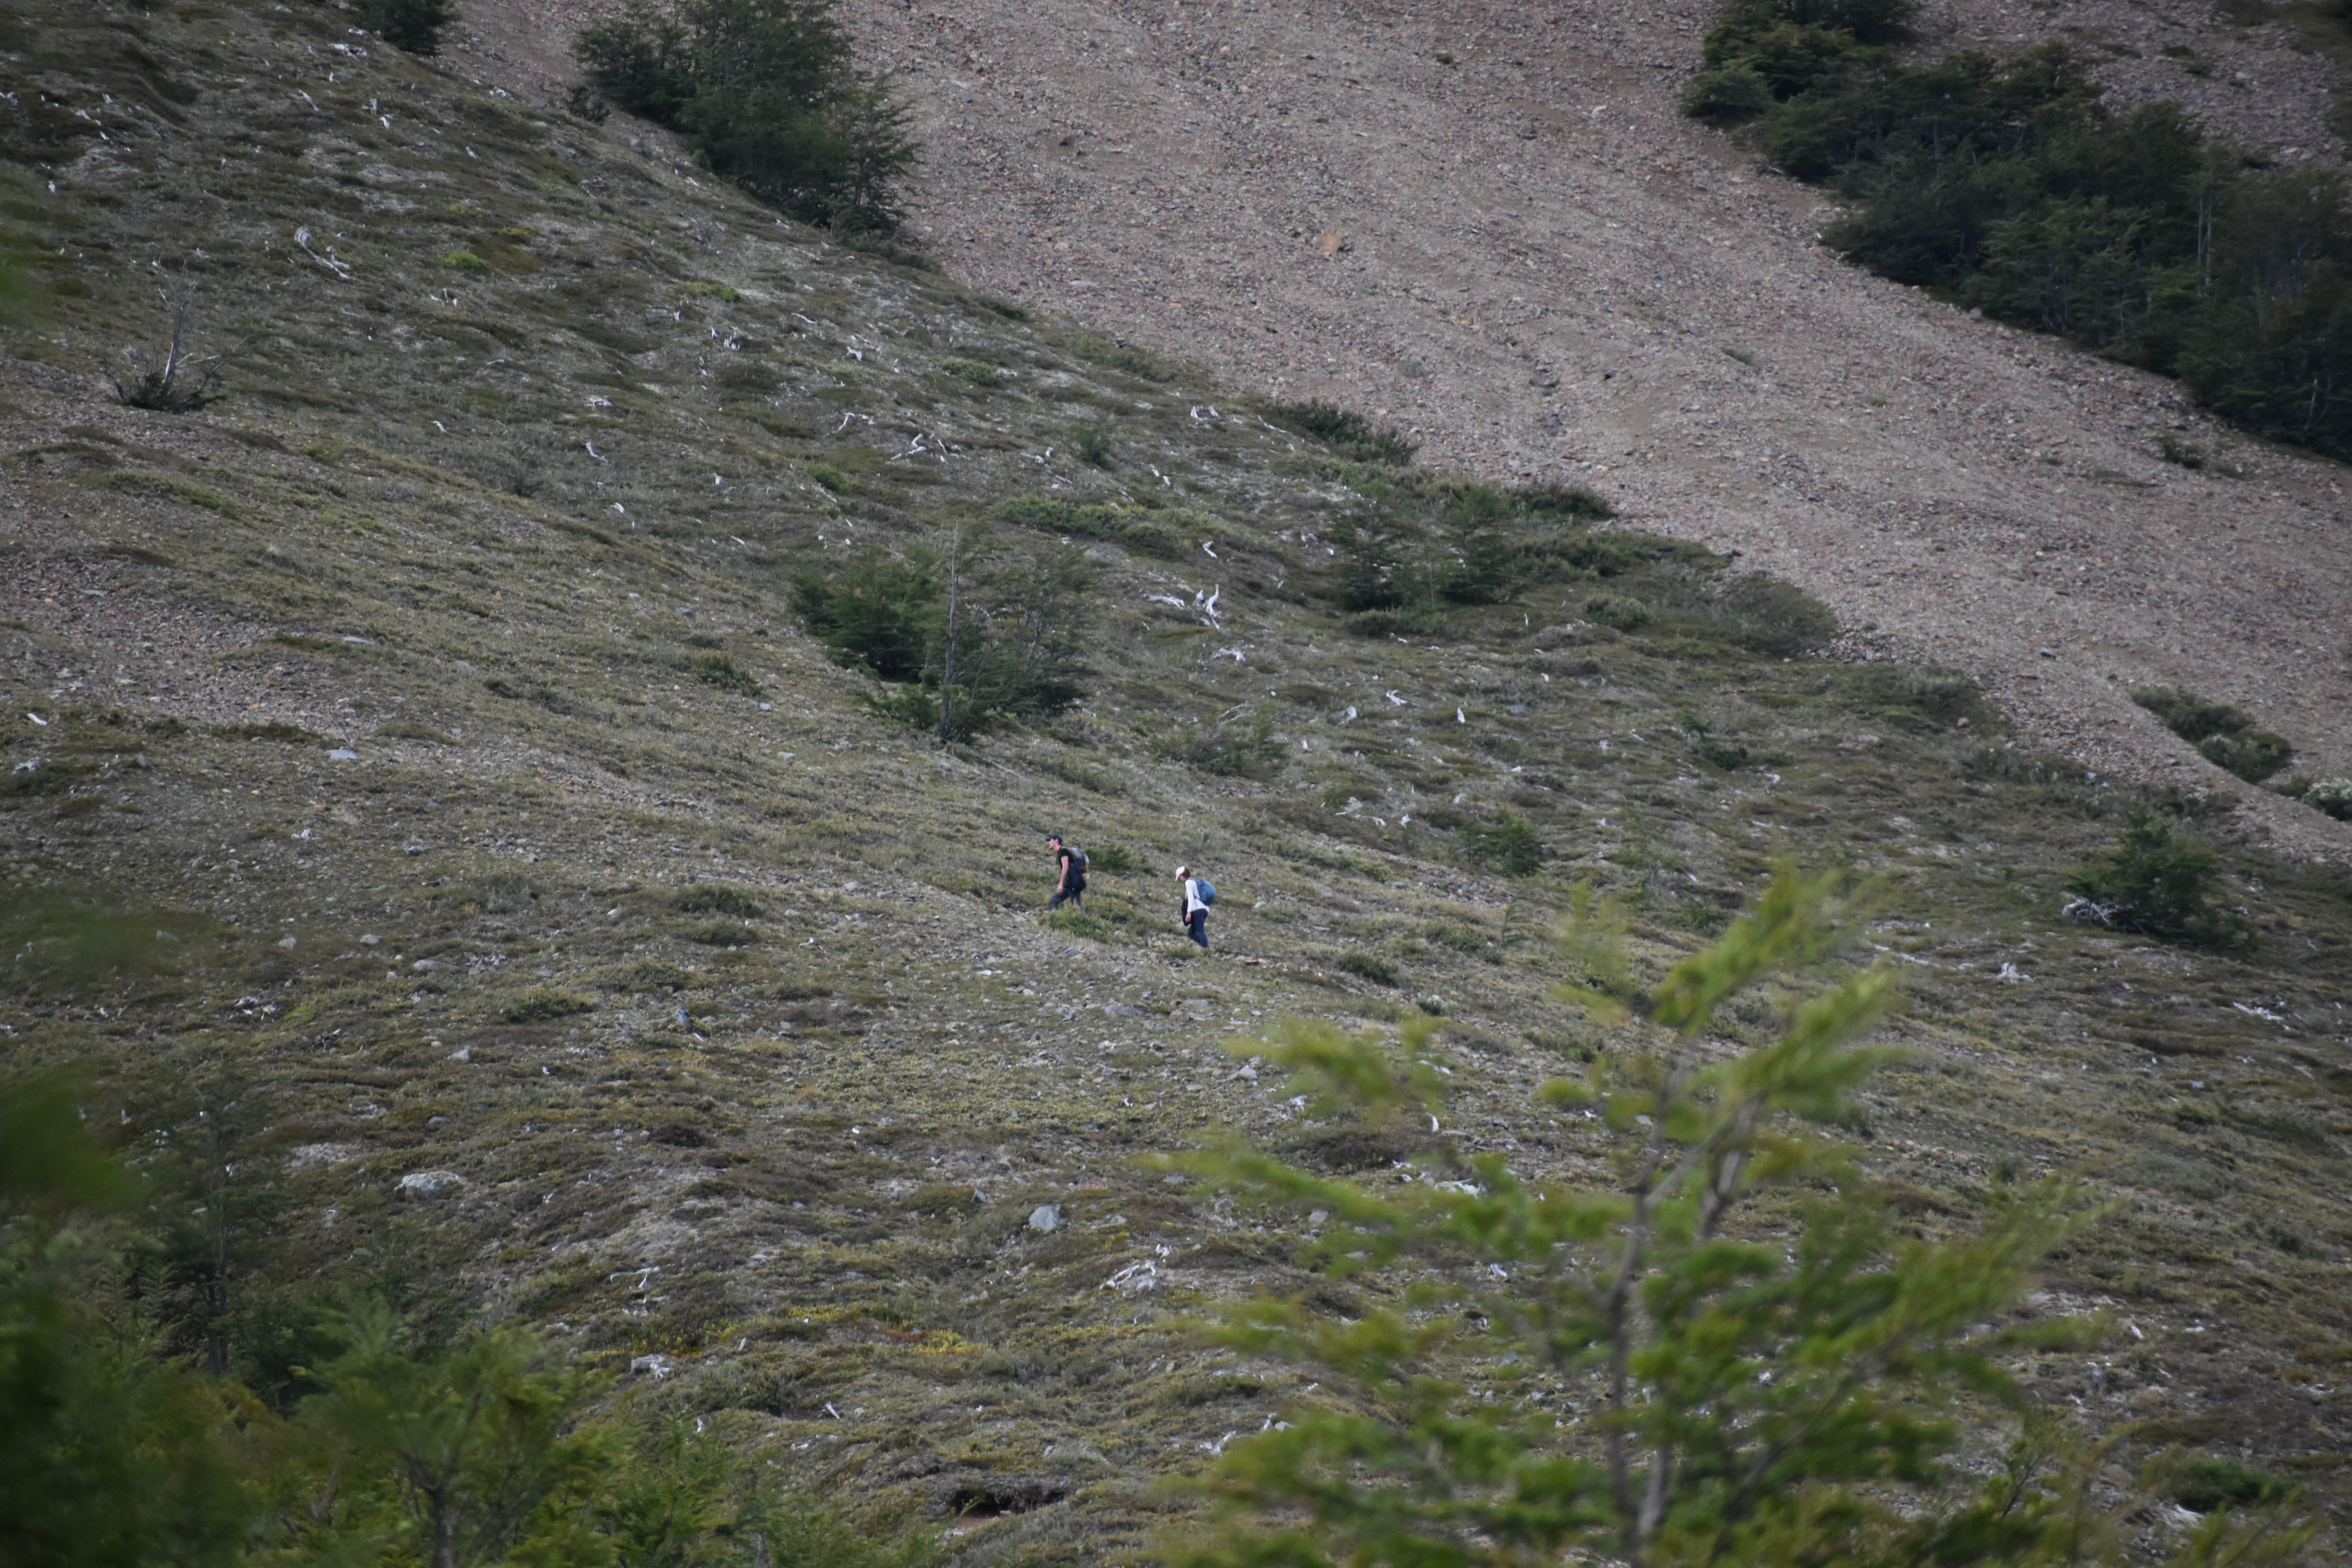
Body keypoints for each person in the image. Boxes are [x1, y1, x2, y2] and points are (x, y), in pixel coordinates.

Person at [1046, 833, 1085, 910]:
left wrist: (1061, 884)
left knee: (1076, 906)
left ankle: (1081, 920)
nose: (1049, 842)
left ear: (1056, 841)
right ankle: (1055, 918)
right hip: (1070, 883)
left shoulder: (1063, 851)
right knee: (1054, 900)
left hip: (1072, 883)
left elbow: (1065, 867)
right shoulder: (1062, 851)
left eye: (1050, 840)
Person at [1176, 864, 1209, 950]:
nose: (1180, 880)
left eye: (1179, 877)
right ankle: (1205, 946)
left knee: (1201, 930)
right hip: (1205, 909)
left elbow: (1191, 899)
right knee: (1191, 933)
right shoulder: (1196, 881)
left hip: (1197, 910)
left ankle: (1206, 949)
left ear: (1182, 875)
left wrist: (1188, 913)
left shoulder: (1189, 883)